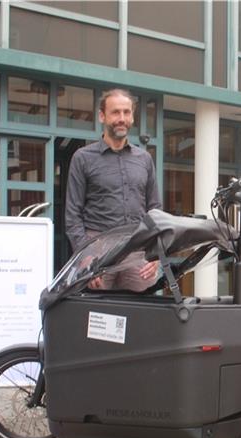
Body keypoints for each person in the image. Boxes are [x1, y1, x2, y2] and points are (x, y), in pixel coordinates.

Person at [65, 88, 161, 291]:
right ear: (102, 116)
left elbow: (155, 211)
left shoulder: (144, 159)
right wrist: (85, 258)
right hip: (97, 250)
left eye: (127, 112)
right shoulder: (82, 158)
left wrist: (156, 254)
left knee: (144, 315)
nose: (122, 118)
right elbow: (73, 215)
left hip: (137, 250)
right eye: (115, 112)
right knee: (98, 318)